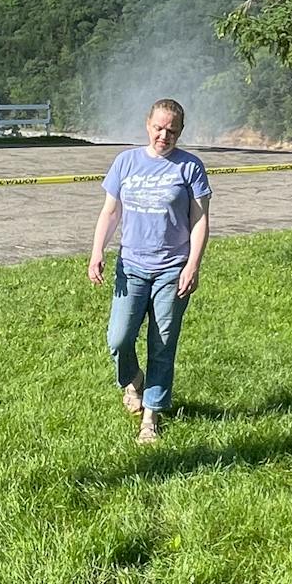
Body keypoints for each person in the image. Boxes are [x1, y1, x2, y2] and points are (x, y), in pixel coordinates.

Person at [88, 98, 211, 444]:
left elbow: (200, 220)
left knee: (163, 343)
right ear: (147, 125)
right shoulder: (125, 162)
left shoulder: (190, 167)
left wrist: (193, 265)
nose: (164, 135)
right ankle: (134, 378)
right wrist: (97, 251)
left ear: (181, 132)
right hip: (132, 267)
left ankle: (151, 415)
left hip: (172, 269)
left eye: (172, 130)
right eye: (159, 128)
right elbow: (110, 212)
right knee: (119, 338)